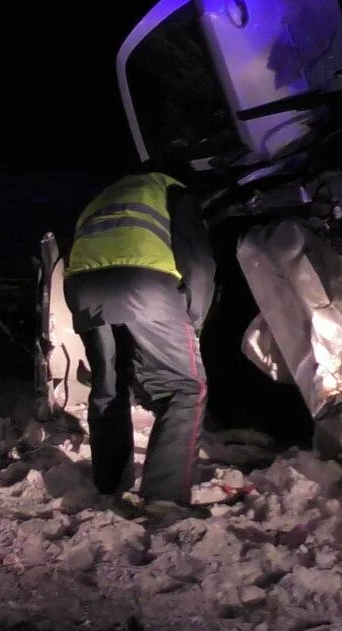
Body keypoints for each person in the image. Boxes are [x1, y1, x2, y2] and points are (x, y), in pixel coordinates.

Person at [63, 167, 215, 517]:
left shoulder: (108, 196)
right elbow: (199, 263)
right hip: (142, 283)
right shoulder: (175, 191)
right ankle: (165, 499)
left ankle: (109, 482)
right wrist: (192, 323)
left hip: (83, 289)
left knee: (109, 386)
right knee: (185, 387)